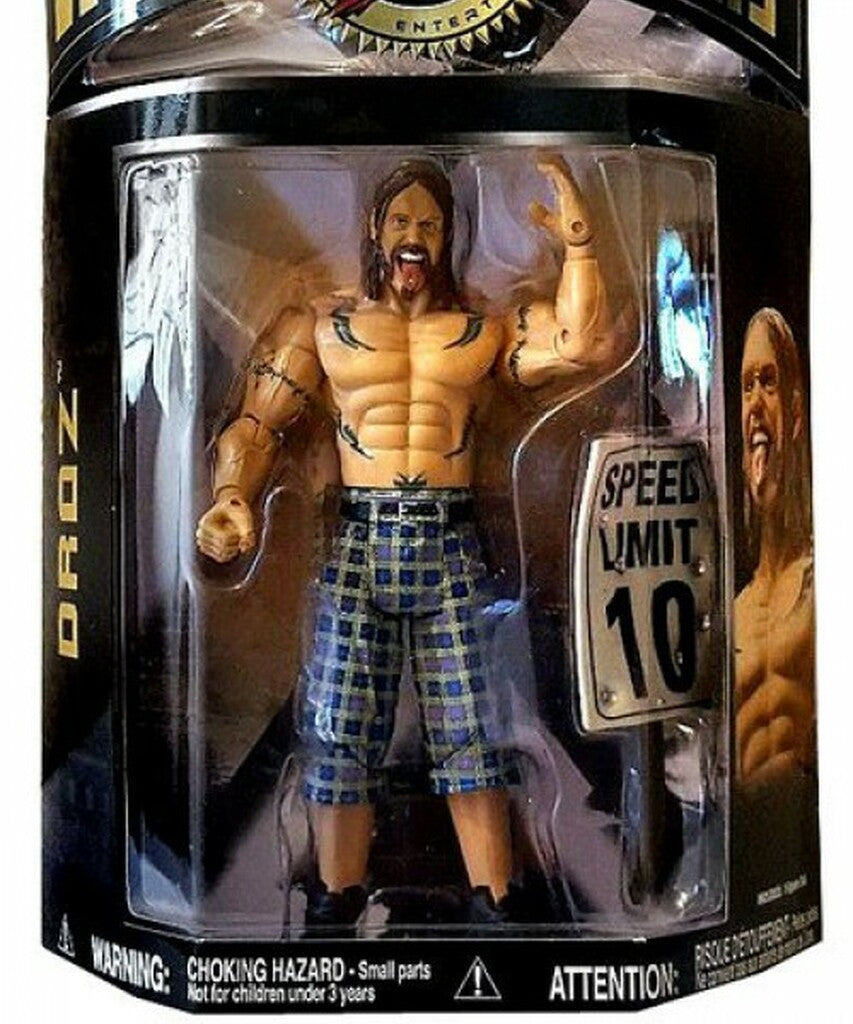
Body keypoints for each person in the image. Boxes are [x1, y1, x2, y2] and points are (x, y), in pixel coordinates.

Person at [196, 152, 624, 926]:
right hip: (357, 544)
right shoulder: (321, 327)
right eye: (400, 220)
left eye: (428, 222)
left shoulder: (479, 329)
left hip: (450, 542)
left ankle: (500, 899)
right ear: (374, 228)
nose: (414, 236)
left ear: (448, 235)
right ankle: (333, 902)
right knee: (338, 732)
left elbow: (578, 343)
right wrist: (232, 498)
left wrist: (581, 246)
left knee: (471, 733)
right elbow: (257, 423)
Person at [734, 308, 815, 788]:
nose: (755, 404)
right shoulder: (736, 606)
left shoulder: (823, 582)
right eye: (746, 387)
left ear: (796, 411)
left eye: (768, 382)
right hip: (736, 822)